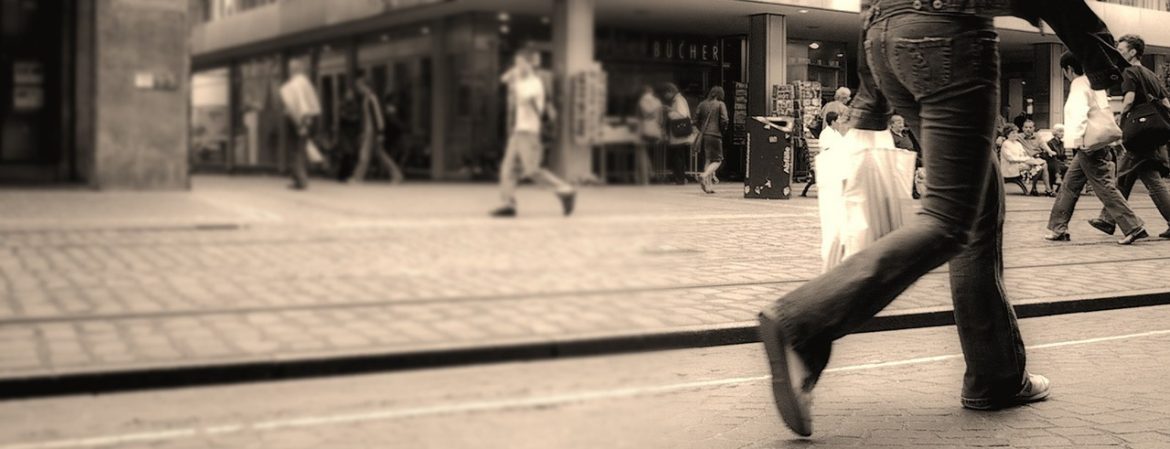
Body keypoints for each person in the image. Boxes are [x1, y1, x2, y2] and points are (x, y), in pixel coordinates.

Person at [756, 0, 1135, 438]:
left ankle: (996, 376)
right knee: (948, 219)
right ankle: (802, 322)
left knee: (976, 204)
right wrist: (1105, 60)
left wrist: (871, 97)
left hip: (887, 37)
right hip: (950, 33)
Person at [1046, 51, 1148, 244]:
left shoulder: (1078, 85)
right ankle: (1057, 227)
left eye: (1065, 71)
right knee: (1070, 184)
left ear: (1069, 69)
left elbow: (1078, 114)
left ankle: (1133, 226)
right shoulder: (1096, 84)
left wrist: (1076, 142)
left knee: (1103, 186)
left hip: (1087, 144)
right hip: (1099, 142)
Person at [1090, 34, 1170, 239]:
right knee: (1147, 180)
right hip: (1152, 135)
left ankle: (1109, 219)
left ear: (1133, 52)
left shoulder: (1129, 72)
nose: (1119, 52)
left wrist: (1119, 118)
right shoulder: (1151, 75)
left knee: (1126, 178)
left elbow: (1129, 99)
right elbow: (1167, 104)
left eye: (1122, 49)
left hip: (1137, 135)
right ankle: (1107, 219)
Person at [490, 49, 576, 218]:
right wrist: (514, 74)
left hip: (529, 132)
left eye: (521, 63)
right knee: (507, 169)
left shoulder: (534, 82)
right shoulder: (521, 78)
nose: (518, 67)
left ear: (531, 64)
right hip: (518, 132)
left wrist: (516, 79)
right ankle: (508, 203)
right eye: (516, 63)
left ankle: (566, 190)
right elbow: (503, 79)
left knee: (531, 170)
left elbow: (522, 96)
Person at [347, 77, 403, 184]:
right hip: (369, 131)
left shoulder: (372, 98)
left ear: (366, 86)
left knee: (365, 154)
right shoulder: (366, 99)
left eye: (360, 86)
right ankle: (397, 174)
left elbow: (378, 115)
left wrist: (380, 132)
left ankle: (357, 177)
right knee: (380, 154)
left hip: (372, 131)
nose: (359, 89)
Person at [278, 59, 323, 190]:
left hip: (297, 120)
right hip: (306, 119)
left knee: (295, 151)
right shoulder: (305, 82)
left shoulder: (295, 84)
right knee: (301, 149)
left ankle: (300, 180)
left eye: (291, 68)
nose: (289, 71)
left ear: (294, 69)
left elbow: (298, 105)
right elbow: (310, 103)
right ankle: (299, 178)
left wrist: (301, 123)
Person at [693, 86, 730, 194]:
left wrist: (702, 129)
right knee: (718, 160)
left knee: (708, 159)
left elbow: (696, 120)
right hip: (715, 135)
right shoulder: (720, 104)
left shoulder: (702, 104)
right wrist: (723, 130)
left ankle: (708, 186)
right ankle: (703, 175)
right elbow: (725, 120)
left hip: (704, 135)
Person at [801, 111, 846, 198]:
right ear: (833, 122)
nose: (840, 122)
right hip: (829, 160)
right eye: (838, 120)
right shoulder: (826, 133)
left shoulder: (836, 133)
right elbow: (826, 148)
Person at [1000, 125, 1053, 196]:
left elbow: (1024, 154)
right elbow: (1010, 158)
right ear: (1007, 134)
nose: (1015, 135)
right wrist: (1025, 160)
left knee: (1040, 166)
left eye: (1016, 133)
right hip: (1010, 166)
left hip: (1021, 164)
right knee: (1039, 166)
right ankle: (1039, 188)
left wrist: (1028, 159)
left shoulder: (1017, 143)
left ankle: (1035, 187)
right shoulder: (1006, 144)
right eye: (1013, 133)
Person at [662, 83, 695, 185]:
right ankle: (680, 178)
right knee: (679, 156)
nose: (665, 96)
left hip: (679, 135)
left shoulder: (678, 100)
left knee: (677, 157)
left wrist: (669, 112)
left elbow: (682, 115)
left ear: (670, 91)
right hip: (679, 136)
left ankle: (679, 179)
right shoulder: (678, 99)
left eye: (666, 93)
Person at [890, 114, 923, 199]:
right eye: (899, 123)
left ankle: (913, 191)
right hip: (900, 160)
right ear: (892, 124)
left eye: (902, 123)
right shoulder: (890, 136)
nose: (901, 125)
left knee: (913, 174)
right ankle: (911, 192)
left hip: (912, 158)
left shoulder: (906, 133)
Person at [636, 85, 663, 185]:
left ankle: (645, 178)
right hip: (655, 131)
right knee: (651, 153)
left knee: (641, 152)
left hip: (644, 130)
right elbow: (661, 119)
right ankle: (651, 172)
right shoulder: (658, 102)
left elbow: (640, 117)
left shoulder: (641, 102)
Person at [1045, 124, 1070, 188]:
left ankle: (1060, 187)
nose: (1062, 133)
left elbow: (1063, 156)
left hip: (1060, 163)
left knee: (1068, 168)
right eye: (1060, 131)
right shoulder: (1050, 143)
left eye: (1063, 131)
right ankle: (1058, 177)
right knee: (1055, 162)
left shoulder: (1062, 143)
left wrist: (1067, 162)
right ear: (1055, 132)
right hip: (1051, 163)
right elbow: (1050, 156)